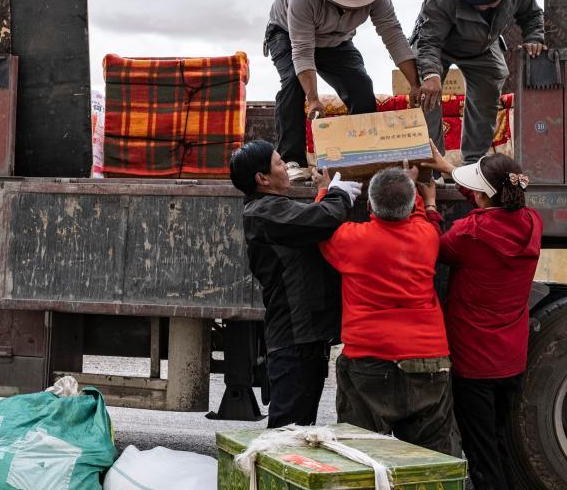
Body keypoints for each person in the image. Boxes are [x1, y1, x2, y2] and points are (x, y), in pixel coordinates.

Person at [419, 144, 542, 490]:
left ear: (484, 198)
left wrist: (430, 206)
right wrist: (447, 168)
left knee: (481, 454)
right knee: (499, 441)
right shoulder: (531, 222)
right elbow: (493, 203)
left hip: (474, 363)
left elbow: (432, 248)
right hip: (510, 359)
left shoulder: (470, 234)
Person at [318, 164, 454, 454]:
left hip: (369, 358)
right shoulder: (426, 237)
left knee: (362, 458)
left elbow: (321, 225)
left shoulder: (351, 240)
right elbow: (421, 218)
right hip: (427, 359)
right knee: (431, 460)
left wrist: (323, 192)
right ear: (409, 205)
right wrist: (422, 196)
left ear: (369, 205)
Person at [229, 140, 361, 428]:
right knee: (288, 431)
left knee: (299, 426)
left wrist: (327, 193)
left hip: (304, 336)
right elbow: (320, 219)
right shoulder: (263, 212)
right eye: (279, 164)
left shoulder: (273, 207)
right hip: (293, 337)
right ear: (262, 178)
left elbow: (309, 220)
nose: (286, 169)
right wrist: (337, 197)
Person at [266, 0, 421, 182]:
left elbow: (393, 35)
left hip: (336, 40)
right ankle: (291, 159)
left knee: (361, 85)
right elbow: (302, 50)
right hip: (287, 35)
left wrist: (415, 84)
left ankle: (362, 155)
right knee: (292, 84)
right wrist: (313, 98)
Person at [411, 0, 546, 168]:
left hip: (482, 44)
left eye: (480, 3)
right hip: (437, 45)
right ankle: (431, 165)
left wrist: (534, 38)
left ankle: (473, 164)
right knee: (427, 93)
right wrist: (430, 75)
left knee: (490, 85)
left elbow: (532, 15)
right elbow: (428, 41)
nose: (473, 5)